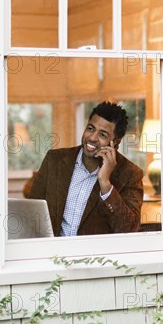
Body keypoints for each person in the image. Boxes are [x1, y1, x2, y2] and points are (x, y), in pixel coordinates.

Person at [26, 101, 144, 236]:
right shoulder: (54, 160)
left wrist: (105, 184)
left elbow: (130, 230)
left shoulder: (130, 175)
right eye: (91, 129)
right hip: (53, 252)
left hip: (95, 255)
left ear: (115, 142)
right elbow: (31, 212)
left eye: (102, 135)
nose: (92, 138)